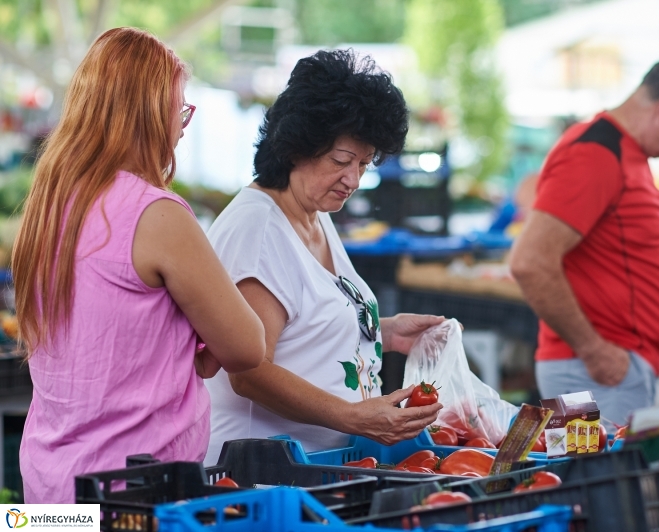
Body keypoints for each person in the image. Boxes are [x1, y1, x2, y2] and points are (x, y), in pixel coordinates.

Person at [12, 28, 266, 503]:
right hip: (133, 496)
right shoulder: (157, 214)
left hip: (47, 491)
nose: (183, 124)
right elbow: (247, 346)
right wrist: (198, 346)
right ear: (149, 114)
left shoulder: (48, 208)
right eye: (180, 109)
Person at [203, 49, 443, 464]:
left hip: (320, 467)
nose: (353, 180)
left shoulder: (313, 212)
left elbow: (304, 325)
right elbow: (248, 371)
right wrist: (352, 417)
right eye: (341, 161)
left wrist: (383, 331)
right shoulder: (258, 231)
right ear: (298, 147)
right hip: (260, 471)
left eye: (365, 164)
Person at [509, 53, 659, 427]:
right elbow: (529, 262)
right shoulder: (595, 153)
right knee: (596, 484)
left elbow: (610, 260)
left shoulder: (626, 153)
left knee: (602, 483)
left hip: (607, 369)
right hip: (592, 374)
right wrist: (593, 350)